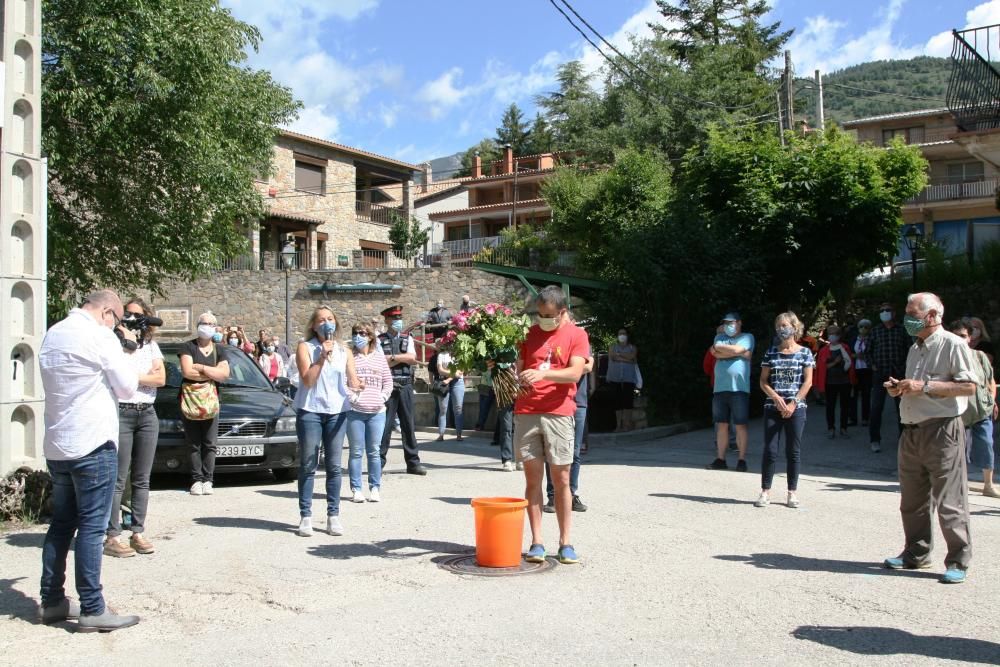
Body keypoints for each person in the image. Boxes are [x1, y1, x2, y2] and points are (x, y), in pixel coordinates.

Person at [38, 289, 142, 631]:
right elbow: (127, 389)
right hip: (93, 443)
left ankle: (51, 601)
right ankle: (92, 607)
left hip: (58, 443)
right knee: (92, 528)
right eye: (117, 320)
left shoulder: (55, 332)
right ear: (108, 313)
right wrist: (126, 345)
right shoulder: (100, 335)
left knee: (62, 525)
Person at [883, 293, 977, 584]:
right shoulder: (916, 347)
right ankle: (916, 553)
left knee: (951, 501)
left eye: (913, 313)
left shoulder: (953, 344)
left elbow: (969, 387)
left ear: (933, 315)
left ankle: (959, 561)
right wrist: (900, 388)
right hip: (911, 430)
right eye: (907, 312)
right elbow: (917, 387)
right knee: (912, 501)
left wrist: (922, 386)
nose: (907, 318)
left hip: (942, 429)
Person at [513, 286, 588, 565]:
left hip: (558, 413)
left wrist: (543, 376)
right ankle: (536, 542)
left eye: (549, 315)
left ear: (562, 313)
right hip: (527, 411)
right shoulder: (528, 335)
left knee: (562, 480)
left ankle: (566, 542)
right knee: (532, 481)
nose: (543, 320)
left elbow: (574, 372)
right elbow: (519, 369)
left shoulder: (576, 335)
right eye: (539, 314)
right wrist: (513, 376)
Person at [103, 298, 166, 559]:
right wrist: (142, 377)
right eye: (127, 314)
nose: (132, 319)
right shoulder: (113, 344)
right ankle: (112, 535)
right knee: (118, 478)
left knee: (142, 478)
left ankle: (137, 531)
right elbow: (114, 379)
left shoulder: (150, 346)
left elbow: (161, 378)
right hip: (123, 412)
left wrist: (131, 376)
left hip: (147, 412)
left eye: (137, 315)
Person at [294, 306, 358, 536]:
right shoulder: (305, 347)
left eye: (330, 319)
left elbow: (353, 380)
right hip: (310, 410)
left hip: (337, 412)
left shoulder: (344, 351)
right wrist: (321, 356)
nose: (326, 323)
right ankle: (306, 516)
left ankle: (333, 515)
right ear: (313, 325)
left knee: (333, 466)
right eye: (321, 320)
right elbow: (308, 381)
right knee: (308, 464)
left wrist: (359, 386)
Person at [755, 312, 815, 509]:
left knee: (793, 451)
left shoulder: (805, 353)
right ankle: (765, 491)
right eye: (778, 325)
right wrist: (775, 397)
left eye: (785, 325)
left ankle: (792, 492)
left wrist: (793, 403)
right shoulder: (771, 352)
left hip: (796, 408)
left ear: (794, 327)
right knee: (770, 450)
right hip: (773, 407)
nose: (782, 329)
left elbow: (808, 382)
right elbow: (763, 381)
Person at [180, 312, 231, 496]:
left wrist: (201, 368)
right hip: (191, 400)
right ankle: (196, 479)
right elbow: (187, 372)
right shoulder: (188, 347)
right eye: (204, 323)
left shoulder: (220, 350)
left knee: (210, 442)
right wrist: (213, 372)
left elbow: (224, 374)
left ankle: (208, 479)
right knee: (193, 442)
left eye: (211, 323)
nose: (207, 326)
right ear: (197, 325)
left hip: (211, 402)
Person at [544, 331, 594, 514]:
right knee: (553, 451)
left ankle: (571, 494)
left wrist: (570, 367)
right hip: (557, 401)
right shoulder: (556, 345)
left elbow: (589, 367)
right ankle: (552, 495)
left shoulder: (582, 340)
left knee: (575, 453)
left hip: (579, 403)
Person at [949, 320, 998, 497]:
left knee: (986, 445)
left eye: (962, 336)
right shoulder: (947, 359)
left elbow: (990, 380)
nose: (959, 339)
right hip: (958, 412)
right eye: (955, 336)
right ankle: (960, 482)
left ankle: (988, 484)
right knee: (957, 449)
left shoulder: (980, 356)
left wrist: (992, 401)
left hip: (981, 410)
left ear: (969, 338)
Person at [346, 323, 393, 503]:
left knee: (374, 451)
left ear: (371, 336)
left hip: (377, 412)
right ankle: (356, 489)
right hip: (355, 412)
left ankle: (375, 487)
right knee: (356, 452)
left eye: (363, 333)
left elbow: (388, 381)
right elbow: (343, 381)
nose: (358, 336)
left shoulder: (379, 358)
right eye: (355, 333)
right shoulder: (350, 357)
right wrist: (353, 397)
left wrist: (383, 396)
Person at [378, 305, 427, 475]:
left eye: (399, 318)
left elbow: (412, 358)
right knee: (384, 426)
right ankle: (379, 462)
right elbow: (379, 362)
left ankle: (413, 463)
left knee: (408, 425)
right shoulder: (379, 340)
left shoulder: (408, 338)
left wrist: (391, 358)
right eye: (394, 318)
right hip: (387, 386)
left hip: (405, 384)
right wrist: (401, 358)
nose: (398, 321)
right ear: (387, 320)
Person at [708, 312, 755, 471]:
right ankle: (720, 459)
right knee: (721, 424)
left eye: (731, 322)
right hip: (720, 388)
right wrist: (740, 353)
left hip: (739, 389)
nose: (728, 325)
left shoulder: (748, 337)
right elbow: (715, 350)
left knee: (740, 425)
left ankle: (741, 460)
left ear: (739, 323)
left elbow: (729, 350)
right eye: (726, 322)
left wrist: (728, 352)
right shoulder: (719, 338)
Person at [869, 302, 911, 453]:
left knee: (902, 409)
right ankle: (874, 439)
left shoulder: (902, 330)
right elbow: (869, 350)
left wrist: (905, 367)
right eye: (882, 310)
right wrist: (872, 365)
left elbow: (909, 350)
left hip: (898, 374)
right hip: (880, 374)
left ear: (894, 313)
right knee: (875, 408)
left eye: (887, 309)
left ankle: (903, 439)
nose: (884, 312)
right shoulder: (875, 331)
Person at [815, 325, 854, 439]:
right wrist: (835, 362)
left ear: (839, 335)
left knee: (845, 406)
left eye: (835, 333)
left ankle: (844, 428)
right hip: (830, 382)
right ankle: (831, 428)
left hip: (844, 382)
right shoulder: (823, 350)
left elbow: (850, 364)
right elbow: (822, 368)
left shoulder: (845, 347)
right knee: (830, 406)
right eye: (830, 333)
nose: (832, 336)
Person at [607, 327, 639, 432]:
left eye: (624, 333)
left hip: (628, 378)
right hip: (614, 378)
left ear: (627, 335)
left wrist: (619, 355)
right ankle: (618, 426)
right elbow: (613, 357)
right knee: (617, 403)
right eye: (620, 333)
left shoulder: (632, 347)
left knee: (627, 402)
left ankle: (626, 425)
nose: (622, 335)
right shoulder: (612, 347)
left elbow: (632, 357)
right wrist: (627, 359)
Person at [433, 348, 465, 441]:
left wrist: (449, 379)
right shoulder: (441, 355)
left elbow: (461, 371)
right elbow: (440, 370)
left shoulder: (460, 354)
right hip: (443, 381)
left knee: (458, 408)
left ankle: (459, 434)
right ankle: (441, 434)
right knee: (443, 409)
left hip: (457, 382)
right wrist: (453, 374)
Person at [851, 319, 874, 427]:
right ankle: (853, 418)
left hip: (867, 369)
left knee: (866, 394)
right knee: (853, 395)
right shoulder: (854, 340)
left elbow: (874, 353)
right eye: (861, 326)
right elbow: (849, 352)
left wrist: (864, 357)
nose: (863, 329)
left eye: (866, 327)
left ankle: (866, 418)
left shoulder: (871, 339)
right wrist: (853, 356)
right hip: (856, 369)